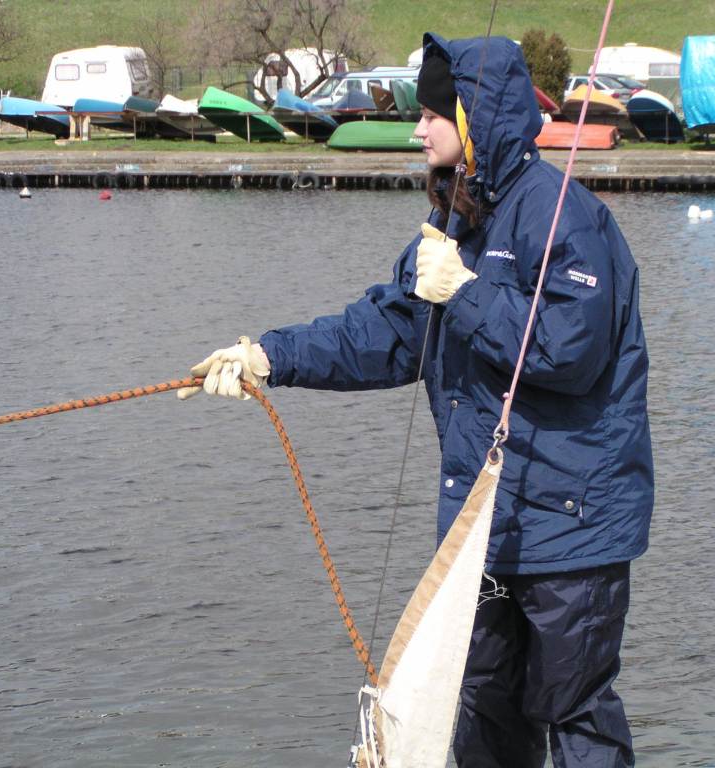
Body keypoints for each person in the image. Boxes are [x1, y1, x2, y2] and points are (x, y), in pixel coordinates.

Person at [179, 33, 653, 768]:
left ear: (473, 118)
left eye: (432, 115)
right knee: (484, 712)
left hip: (571, 525)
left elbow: (570, 351)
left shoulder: (567, 218)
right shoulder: (452, 222)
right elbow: (386, 333)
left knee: (574, 713)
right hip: (482, 528)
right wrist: (267, 357)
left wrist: (464, 292)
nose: (417, 130)